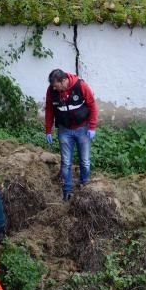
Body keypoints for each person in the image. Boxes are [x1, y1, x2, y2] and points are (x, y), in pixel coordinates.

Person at [44, 69, 98, 201]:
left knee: (85, 161)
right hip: (64, 130)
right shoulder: (51, 90)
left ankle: (84, 185)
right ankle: (67, 190)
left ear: (64, 81)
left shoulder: (81, 86)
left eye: (56, 86)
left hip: (82, 129)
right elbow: (49, 110)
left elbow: (92, 105)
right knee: (66, 162)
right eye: (53, 87)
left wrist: (92, 127)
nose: (55, 89)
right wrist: (48, 130)